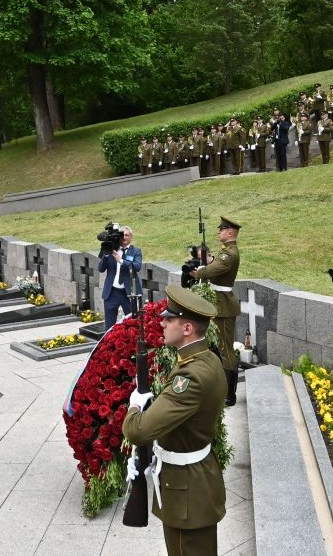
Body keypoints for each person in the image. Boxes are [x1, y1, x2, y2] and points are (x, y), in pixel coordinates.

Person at [123, 285, 226, 556]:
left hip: (186, 492)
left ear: (188, 328)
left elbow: (137, 430)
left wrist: (135, 405)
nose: (163, 322)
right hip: (194, 479)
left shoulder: (188, 378)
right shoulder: (205, 358)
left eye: (170, 319)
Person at [190, 216, 241, 406]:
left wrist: (196, 271)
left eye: (222, 230)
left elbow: (213, 271)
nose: (218, 232)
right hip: (218, 305)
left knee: (226, 350)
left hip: (224, 307)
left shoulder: (230, 254)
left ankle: (229, 395)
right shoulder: (225, 252)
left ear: (230, 232)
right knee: (217, 347)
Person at [97, 226, 143, 330]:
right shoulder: (112, 249)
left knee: (132, 323)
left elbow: (137, 267)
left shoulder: (136, 251)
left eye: (127, 235)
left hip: (129, 293)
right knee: (109, 325)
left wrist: (121, 260)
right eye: (122, 235)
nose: (124, 237)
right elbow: (100, 269)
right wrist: (106, 253)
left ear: (131, 237)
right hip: (112, 292)